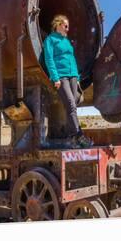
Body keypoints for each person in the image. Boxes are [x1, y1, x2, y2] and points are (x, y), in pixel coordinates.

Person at [43, 14, 93, 148]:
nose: (67, 28)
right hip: (61, 76)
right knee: (70, 103)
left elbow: (72, 59)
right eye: (65, 25)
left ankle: (71, 137)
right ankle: (79, 136)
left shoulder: (66, 41)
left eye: (68, 26)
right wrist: (55, 77)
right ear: (58, 25)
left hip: (73, 76)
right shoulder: (50, 39)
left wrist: (77, 79)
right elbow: (49, 59)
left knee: (73, 104)